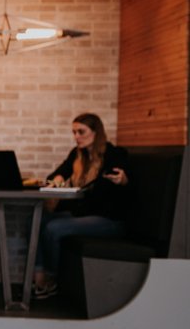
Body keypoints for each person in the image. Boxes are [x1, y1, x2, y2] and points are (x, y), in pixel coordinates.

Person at [33, 112, 130, 298]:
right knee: (36, 220)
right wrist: (58, 178)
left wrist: (123, 180)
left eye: (81, 132)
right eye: (74, 132)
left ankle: (51, 280)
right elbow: (57, 174)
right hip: (81, 215)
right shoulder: (77, 155)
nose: (76, 136)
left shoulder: (114, 154)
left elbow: (126, 182)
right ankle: (39, 278)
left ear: (96, 132)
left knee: (53, 228)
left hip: (108, 219)